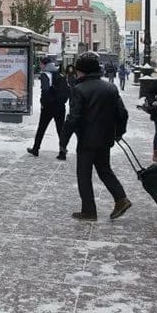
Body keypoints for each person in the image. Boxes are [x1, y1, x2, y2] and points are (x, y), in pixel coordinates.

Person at [61, 53, 132, 221]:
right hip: (106, 138)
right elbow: (122, 114)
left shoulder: (79, 89)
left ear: (82, 71)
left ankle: (89, 211)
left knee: (84, 174)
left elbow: (73, 118)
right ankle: (121, 199)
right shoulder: (110, 88)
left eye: (78, 71)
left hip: (86, 140)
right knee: (104, 170)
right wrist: (118, 133)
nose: (76, 74)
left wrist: (63, 141)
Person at [28, 57, 70, 160]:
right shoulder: (60, 74)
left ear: (45, 65)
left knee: (42, 128)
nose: (41, 66)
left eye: (41, 64)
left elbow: (45, 91)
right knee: (60, 129)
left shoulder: (45, 75)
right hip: (60, 106)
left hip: (49, 107)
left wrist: (44, 103)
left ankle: (36, 149)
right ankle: (62, 152)